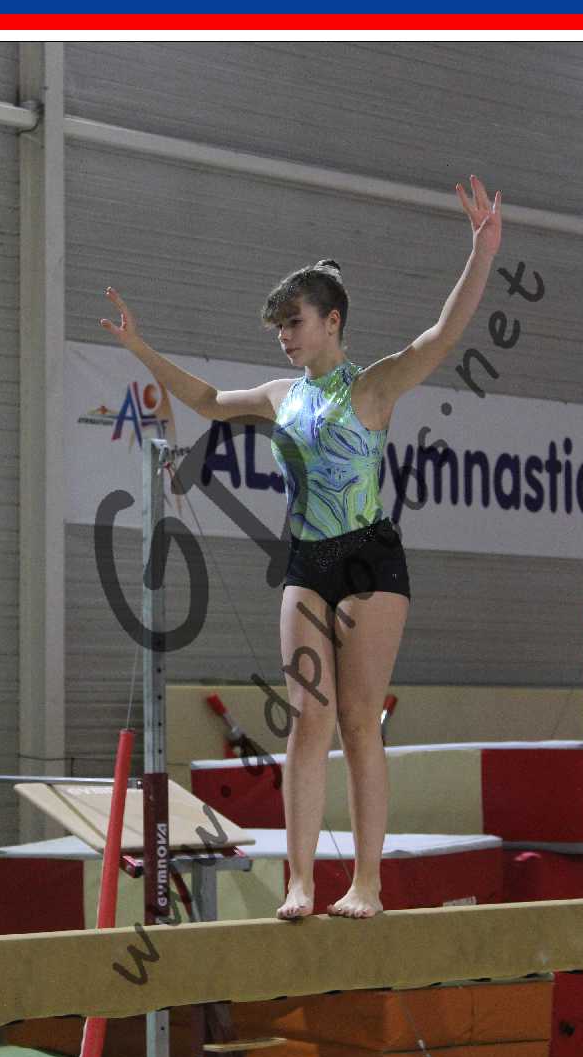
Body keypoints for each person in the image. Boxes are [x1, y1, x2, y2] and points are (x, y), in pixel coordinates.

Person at [101, 175, 502, 919]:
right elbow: (209, 401)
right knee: (306, 720)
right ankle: (300, 881)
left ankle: (367, 883)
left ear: (332, 320)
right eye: (278, 326)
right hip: (308, 562)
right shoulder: (280, 397)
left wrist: (483, 251)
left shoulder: (373, 387)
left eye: (294, 322)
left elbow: (442, 335)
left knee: (358, 720)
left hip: (369, 561)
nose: (284, 336)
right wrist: (140, 347)